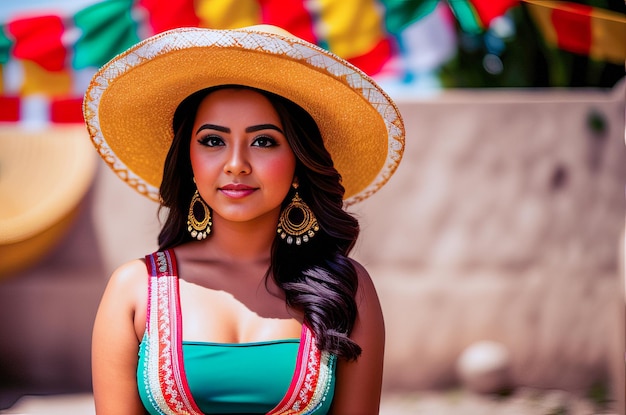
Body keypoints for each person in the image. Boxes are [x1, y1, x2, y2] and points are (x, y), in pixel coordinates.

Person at [86, 25, 404, 415]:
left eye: (264, 141)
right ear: (189, 160)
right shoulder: (135, 290)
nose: (236, 164)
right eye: (213, 141)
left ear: (300, 162)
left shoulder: (346, 289)